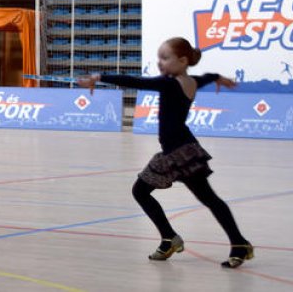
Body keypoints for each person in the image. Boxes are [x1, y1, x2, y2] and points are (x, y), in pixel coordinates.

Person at [78, 37, 253, 268]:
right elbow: (207, 77)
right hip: (176, 151)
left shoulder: (170, 84)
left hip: (181, 152)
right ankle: (170, 238)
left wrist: (99, 77)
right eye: (159, 57)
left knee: (204, 197)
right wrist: (219, 78)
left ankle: (237, 243)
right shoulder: (192, 81)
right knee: (144, 191)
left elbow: (136, 81)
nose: (160, 63)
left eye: (165, 58)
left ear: (182, 60)